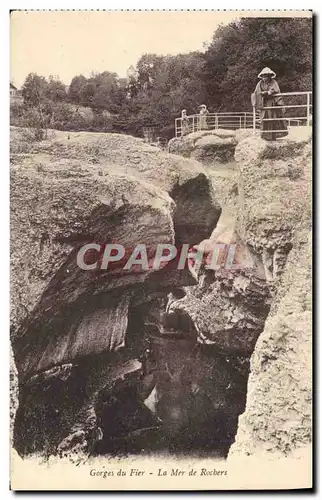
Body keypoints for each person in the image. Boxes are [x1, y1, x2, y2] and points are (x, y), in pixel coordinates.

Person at [252, 67, 288, 141]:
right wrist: (262, 94)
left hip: (271, 102)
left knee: (272, 118)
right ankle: (264, 135)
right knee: (264, 118)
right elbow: (256, 92)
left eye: (266, 76)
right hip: (263, 102)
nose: (265, 78)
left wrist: (269, 92)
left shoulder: (273, 82)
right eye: (263, 76)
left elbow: (275, 90)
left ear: (269, 76)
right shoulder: (260, 83)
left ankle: (273, 136)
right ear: (261, 76)